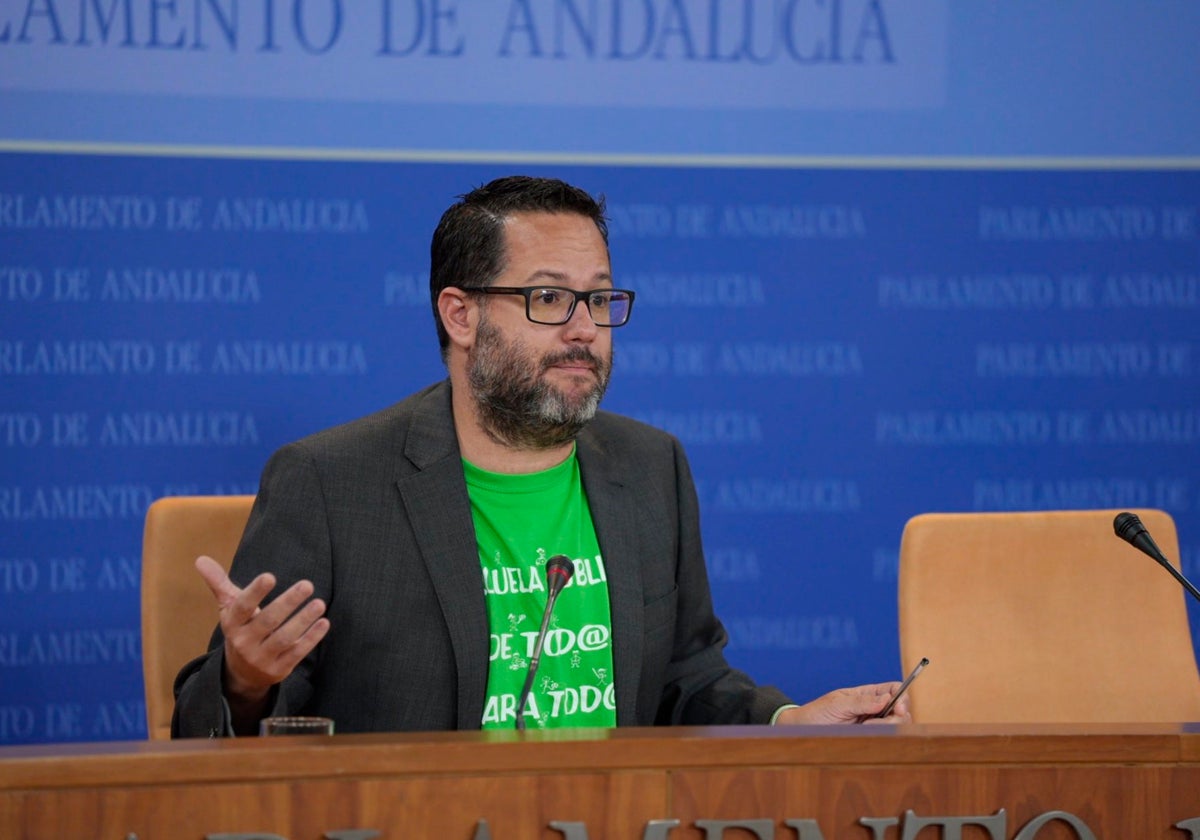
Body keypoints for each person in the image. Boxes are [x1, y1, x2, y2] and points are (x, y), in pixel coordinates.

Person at [172, 175, 908, 737]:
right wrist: (245, 680)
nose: (585, 329)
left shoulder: (651, 467)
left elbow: (686, 677)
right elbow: (211, 728)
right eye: (550, 299)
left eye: (599, 299)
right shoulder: (332, 485)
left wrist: (788, 723)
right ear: (461, 315)